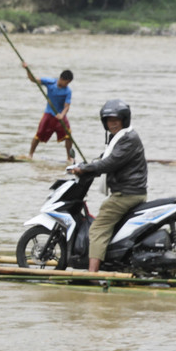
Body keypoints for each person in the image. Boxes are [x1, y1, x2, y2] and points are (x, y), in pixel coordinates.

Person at [70, 99, 148, 274]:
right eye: (108, 120)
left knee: (98, 228)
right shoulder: (120, 138)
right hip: (132, 191)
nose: (112, 124)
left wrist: (86, 169)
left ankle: (91, 274)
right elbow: (105, 161)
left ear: (124, 120)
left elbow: (111, 162)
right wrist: (87, 167)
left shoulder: (128, 139)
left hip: (126, 194)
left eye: (116, 120)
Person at [24, 63, 73, 161]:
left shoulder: (68, 91)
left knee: (69, 137)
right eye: (66, 82)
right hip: (49, 114)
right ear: (62, 79)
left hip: (60, 116)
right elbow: (33, 79)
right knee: (38, 135)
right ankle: (30, 155)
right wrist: (27, 69)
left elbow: (67, 106)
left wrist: (62, 115)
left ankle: (69, 158)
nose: (67, 85)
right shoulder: (50, 82)